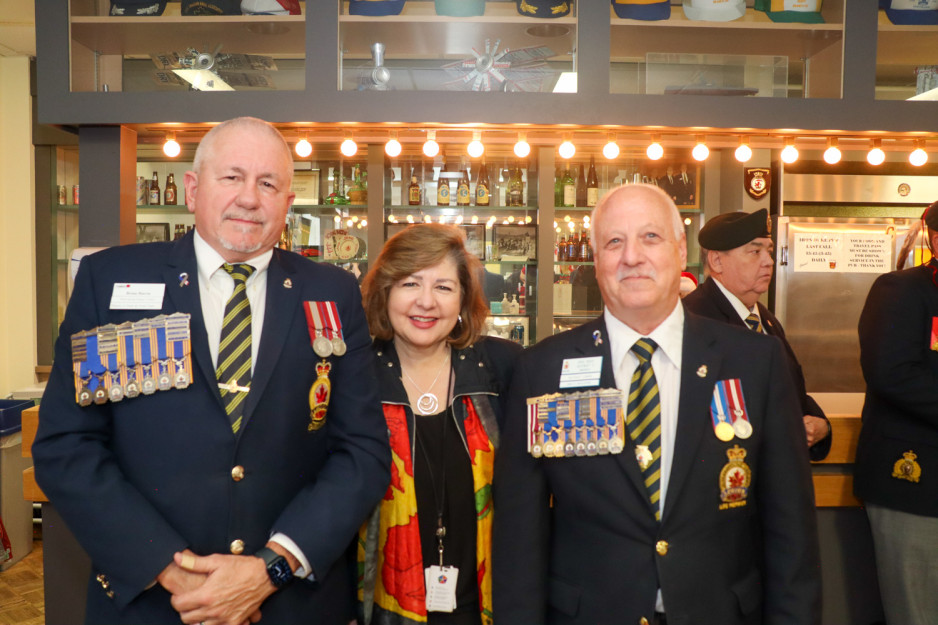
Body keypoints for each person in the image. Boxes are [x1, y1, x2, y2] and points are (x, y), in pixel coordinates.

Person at [32, 117, 391, 625]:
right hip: (153, 602)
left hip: (288, 604)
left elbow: (363, 452)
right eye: (233, 177)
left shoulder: (331, 292)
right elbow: (66, 446)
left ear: (287, 203)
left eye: (268, 184)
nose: (250, 198)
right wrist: (175, 573)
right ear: (192, 189)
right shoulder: (110, 280)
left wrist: (271, 570)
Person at [493, 184, 820, 625]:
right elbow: (519, 539)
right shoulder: (541, 371)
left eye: (650, 237)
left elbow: (792, 534)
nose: (632, 257)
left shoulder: (756, 361)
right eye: (614, 241)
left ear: (680, 249)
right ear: (595, 258)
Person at [358, 223, 522, 625]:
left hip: (486, 607)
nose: (426, 302)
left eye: (444, 288)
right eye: (410, 284)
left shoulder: (505, 369)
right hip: (381, 612)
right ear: (385, 292)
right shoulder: (355, 376)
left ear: (464, 300)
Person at [683, 209, 832, 460]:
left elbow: (789, 387)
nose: (769, 261)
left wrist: (820, 424)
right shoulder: (695, 318)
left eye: (769, 251)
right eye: (755, 252)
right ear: (717, 261)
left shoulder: (765, 318)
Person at [854, 201, 938, 624]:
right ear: (936, 240)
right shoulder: (902, 290)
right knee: (919, 613)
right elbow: (892, 373)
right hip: (917, 486)